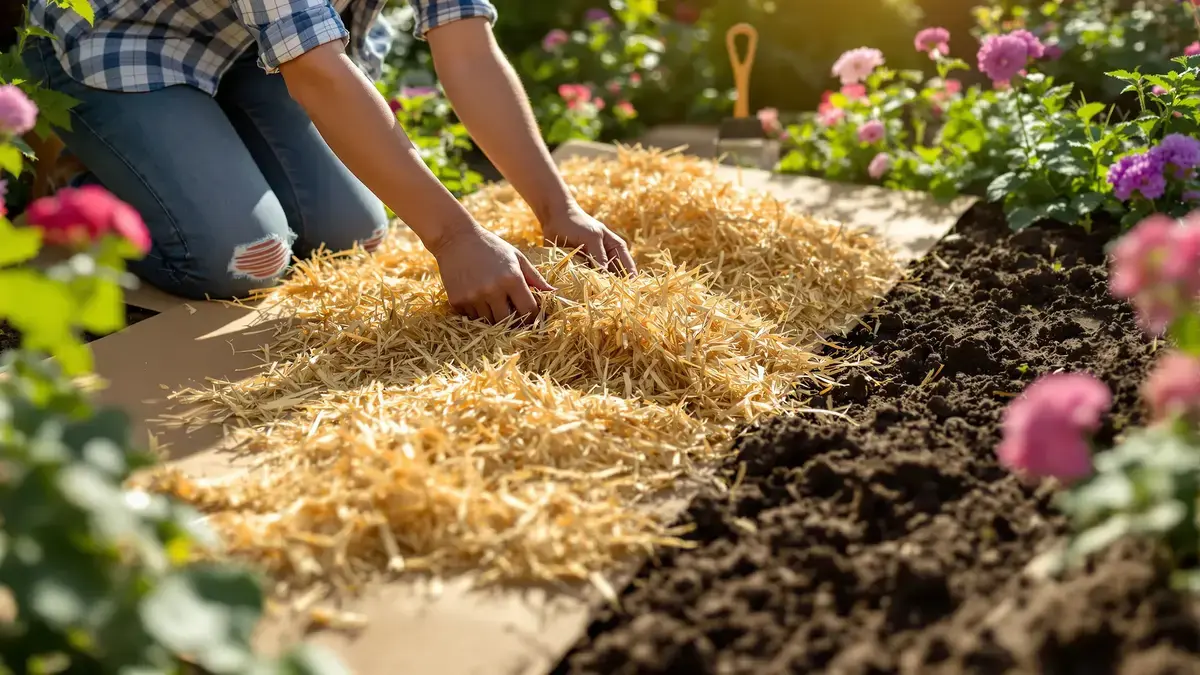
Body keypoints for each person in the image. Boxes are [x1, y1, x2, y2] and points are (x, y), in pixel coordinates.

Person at [24, 0, 637, 322]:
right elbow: (317, 74)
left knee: (355, 235)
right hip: (120, 41)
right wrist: (455, 238)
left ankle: (201, 142)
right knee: (243, 260)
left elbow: (469, 51)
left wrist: (559, 209)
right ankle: (92, 186)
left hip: (248, 49)